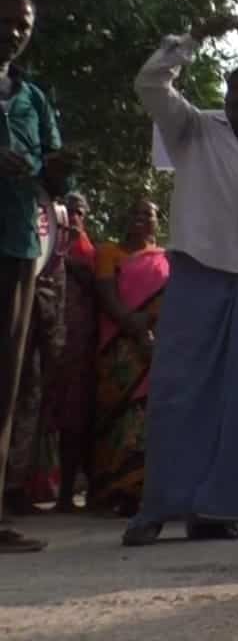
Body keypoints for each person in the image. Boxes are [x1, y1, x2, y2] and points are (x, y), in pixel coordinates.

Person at [122, 14, 238, 546]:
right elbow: (150, 83)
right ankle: (157, 507)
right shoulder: (194, 128)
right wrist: (195, 36)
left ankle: (217, 511)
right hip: (199, 270)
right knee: (179, 391)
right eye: (235, 91)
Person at [0, 0, 69, 552]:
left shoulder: (35, 98)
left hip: (19, 247)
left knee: (5, 382)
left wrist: (61, 170)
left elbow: (52, 174)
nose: (13, 31)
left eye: (23, 24)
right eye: (5, 20)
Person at [90, 199, 166, 518]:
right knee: (120, 415)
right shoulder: (108, 253)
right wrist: (134, 327)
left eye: (146, 214)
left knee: (151, 413)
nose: (139, 218)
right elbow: (106, 295)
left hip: (159, 345)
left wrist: (150, 331)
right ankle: (117, 490)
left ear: (157, 222)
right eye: (133, 212)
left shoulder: (167, 259)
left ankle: (146, 490)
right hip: (119, 345)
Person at [50, 191, 96, 511]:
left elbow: (100, 286)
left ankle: (67, 492)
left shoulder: (88, 249)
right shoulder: (49, 241)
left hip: (81, 346)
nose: (74, 215)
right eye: (69, 209)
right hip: (48, 340)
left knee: (75, 417)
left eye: (79, 211)